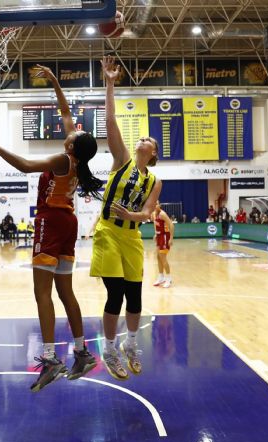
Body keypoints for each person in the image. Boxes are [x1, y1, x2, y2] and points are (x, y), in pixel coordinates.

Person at [0, 64, 101, 391]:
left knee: (42, 292)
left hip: (51, 222)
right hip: (68, 222)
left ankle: (50, 356)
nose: (70, 127)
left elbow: (25, 165)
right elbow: (67, 111)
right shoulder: (78, 159)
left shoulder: (62, 159)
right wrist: (55, 81)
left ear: (72, 145)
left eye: (74, 133)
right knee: (65, 291)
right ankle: (82, 352)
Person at [91, 56, 162, 381]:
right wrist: (109, 83)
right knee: (115, 294)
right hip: (108, 232)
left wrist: (133, 214)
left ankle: (131, 344)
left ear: (153, 152)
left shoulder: (153, 180)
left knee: (135, 297)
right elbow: (110, 123)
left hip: (131, 235)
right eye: (141, 138)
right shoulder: (121, 160)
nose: (142, 139)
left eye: (147, 139)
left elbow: (148, 213)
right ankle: (108, 348)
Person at [152, 202, 174, 288]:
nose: (155, 205)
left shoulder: (162, 214)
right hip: (159, 236)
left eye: (157, 204)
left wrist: (171, 238)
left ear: (159, 205)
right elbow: (155, 224)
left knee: (163, 257)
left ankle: (168, 278)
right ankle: (161, 277)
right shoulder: (154, 214)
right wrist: (155, 234)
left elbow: (171, 225)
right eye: (154, 204)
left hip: (165, 236)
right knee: (158, 256)